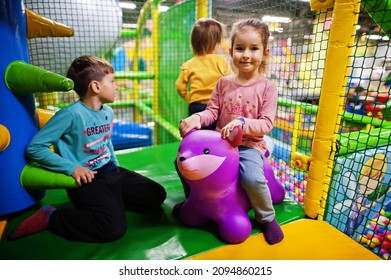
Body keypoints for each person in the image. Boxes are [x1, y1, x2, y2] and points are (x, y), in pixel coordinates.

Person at [9, 55, 166, 243]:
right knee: (112, 229)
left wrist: (115, 167)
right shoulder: (70, 115)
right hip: (87, 178)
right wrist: (73, 168)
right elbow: (35, 148)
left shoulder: (107, 111)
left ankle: (110, 203)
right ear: (96, 87)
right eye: (112, 81)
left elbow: (106, 141)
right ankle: (52, 216)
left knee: (156, 195)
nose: (116, 86)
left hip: (110, 171)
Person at [178, 18, 284, 245]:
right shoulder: (223, 83)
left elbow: (266, 123)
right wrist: (197, 117)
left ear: (264, 53)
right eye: (240, 48)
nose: (246, 54)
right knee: (182, 163)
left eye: (254, 49)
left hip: (248, 146)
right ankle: (195, 202)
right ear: (231, 51)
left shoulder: (268, 87)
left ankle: (266, 217)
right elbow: (212, 112)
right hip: (222, 145)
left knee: (253, 178)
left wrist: (243, 123)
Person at [175, 17, 232, 130]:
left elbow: (179, 86)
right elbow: (230, 82)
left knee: (196, 135)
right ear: (215, 43)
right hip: (216, 107)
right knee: (217, 135)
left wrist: (189, 97)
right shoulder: (221, 61)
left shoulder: (189, 64)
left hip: (196, 107)